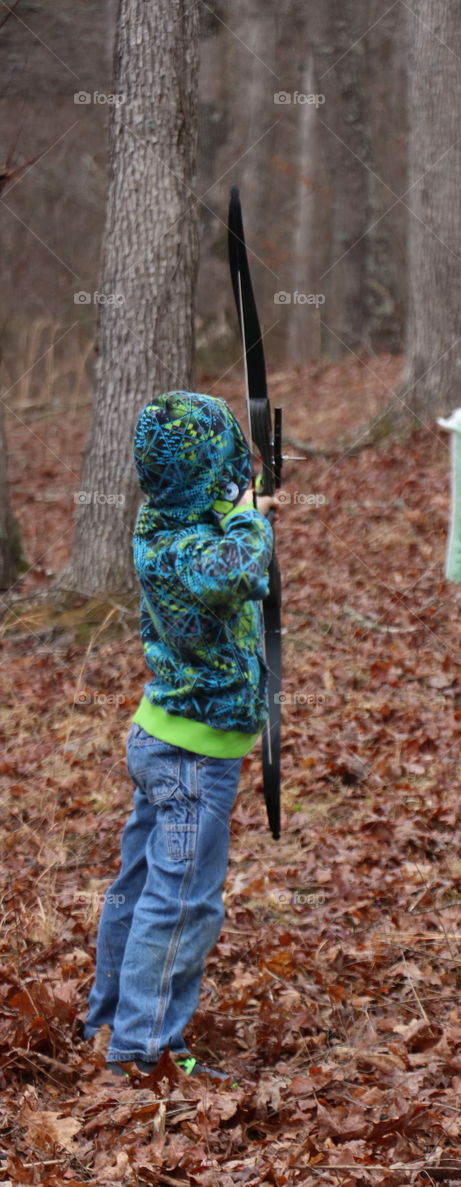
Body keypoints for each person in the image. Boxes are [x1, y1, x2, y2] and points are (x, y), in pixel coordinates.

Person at [83, 390, 278, 1079]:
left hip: (165, 738)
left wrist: (234, 501)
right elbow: (240, 570)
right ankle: (142, 1048)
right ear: (204, 469)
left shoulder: (165, 519)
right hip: (193, 751)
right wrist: (252, 514)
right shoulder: (183, 550)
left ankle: (109, 1017)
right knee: (183, 899)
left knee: (138, 887)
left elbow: (220, 542)